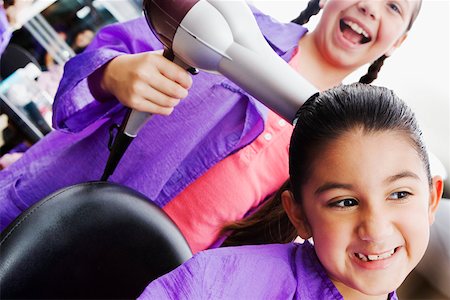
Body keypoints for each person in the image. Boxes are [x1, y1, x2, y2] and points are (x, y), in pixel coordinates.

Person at [0, 0, 422, 253]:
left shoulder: (341, 147)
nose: (370, 4)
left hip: (136, 276)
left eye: (393, 6)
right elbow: (90, 68)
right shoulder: (219, 19)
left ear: (398, 41)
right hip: (47, 210)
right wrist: (114, 73)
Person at [138, 83, 444, 299]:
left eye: (400, 195)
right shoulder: (214, 284)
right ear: (298, 214)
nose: (375, 230)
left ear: (431, 199)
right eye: (345, 202)